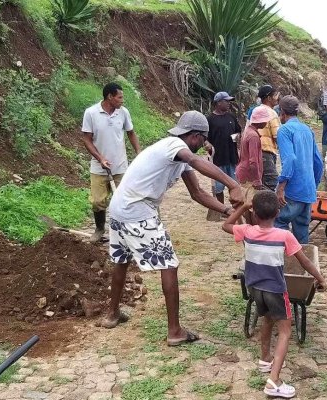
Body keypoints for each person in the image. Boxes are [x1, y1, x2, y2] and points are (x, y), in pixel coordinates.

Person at [101, 111, 244, 346]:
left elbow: (197, 193)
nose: (203, 146)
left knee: (122, 260)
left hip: (119, 208)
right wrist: (232, 184)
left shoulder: (177, 157)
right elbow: (196, 161)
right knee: (169, 264)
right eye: (203, 140)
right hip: (137, 211)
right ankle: (174, 331)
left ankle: (112, 314)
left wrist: (227, 210)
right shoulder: (174, 146)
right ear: (196, 137)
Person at [222, 190, 327, 398]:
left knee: (268, 319)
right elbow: (304, 261)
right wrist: (320, 279)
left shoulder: (248, 231)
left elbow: (225, 225)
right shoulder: (284, 236)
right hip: (276, 290)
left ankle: (265, 359)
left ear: (255, 212)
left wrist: (243, 207)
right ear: (278, 213)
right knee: (286, 331)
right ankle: (274, 381)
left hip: (255, 288)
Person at [82, 82, 141, 241]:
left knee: (123, 200)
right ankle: (100, 230)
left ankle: (124, 233)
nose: (122, 100)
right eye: (120, 97)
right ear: (110, 97)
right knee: (98, 201)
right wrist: (100, 158)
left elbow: (131, 133)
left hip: (120, 166)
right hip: (98, 167)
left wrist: (139, 152)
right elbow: (87, 140)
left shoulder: (123, 113)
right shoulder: (91, 113)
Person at [274, 95, 324, 244]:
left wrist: (281, 186)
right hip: (307, 189)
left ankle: (281, 261)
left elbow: (290, 159)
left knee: (279, 221)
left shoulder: (284, 131)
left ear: (282, 112)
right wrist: (313, 184)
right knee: (302, 230)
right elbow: (318, 162)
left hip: (293, 189)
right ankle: (301, 264)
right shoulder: (307, 130)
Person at [236, 106, 275, 223]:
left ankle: (248, 227)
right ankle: (251, 228)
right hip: (249, 175)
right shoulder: (253, 136)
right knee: (251, 206)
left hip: (243, 171)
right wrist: (257, 180)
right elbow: (253, 161)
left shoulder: (247, 131)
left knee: (246, 203)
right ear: (261, 121)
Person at [206, 91, 241, 207]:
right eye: (226, 101)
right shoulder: (210, 119)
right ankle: (220, 208)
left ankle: (235, 206)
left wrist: (236, 137)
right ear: (218, 103)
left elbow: (238, 131)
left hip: (232, 157)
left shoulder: (231, 116)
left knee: (234, 183)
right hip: (217, 159)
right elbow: (204, 137)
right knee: (218, 187)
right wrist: (207, 144)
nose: (229, 104)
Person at [247, 85, 281, 190]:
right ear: (269, 98)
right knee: (272, 182)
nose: (277, 98)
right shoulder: (272, 113)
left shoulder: (255, 111)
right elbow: (276, 136)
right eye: (275, 95)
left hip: (254, 150)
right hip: (267, 152)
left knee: (261, 180)